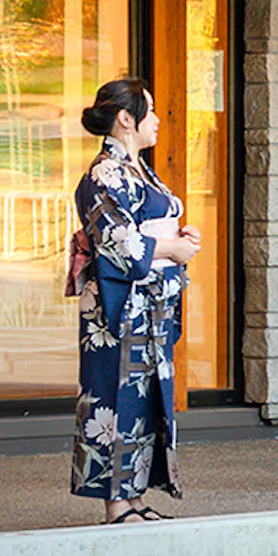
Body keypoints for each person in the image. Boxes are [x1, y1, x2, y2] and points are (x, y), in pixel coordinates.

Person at [72, 77, 196, 521]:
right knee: (115, 393)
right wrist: (171, 248)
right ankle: (116, 503)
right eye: (150, 110)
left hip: (150, 301)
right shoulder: (104, 173)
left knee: (145, 397)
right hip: (121, 304)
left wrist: (181, 237)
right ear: (127, 119)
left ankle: (134, 496)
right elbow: (118, 240)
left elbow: (153, 223)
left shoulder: (137, 169)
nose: (158, 119)